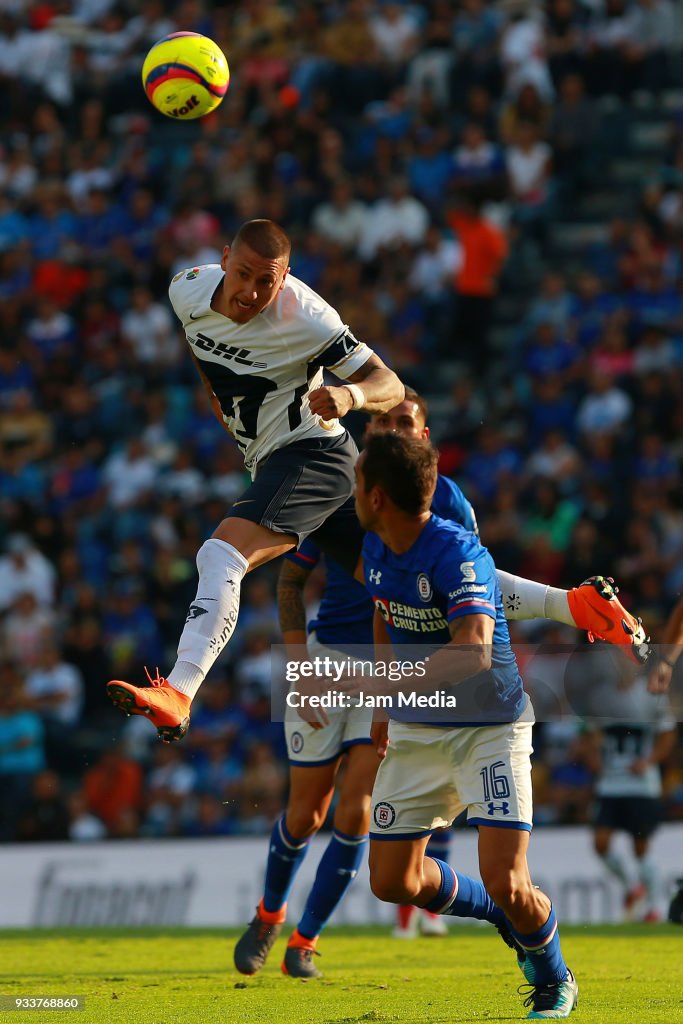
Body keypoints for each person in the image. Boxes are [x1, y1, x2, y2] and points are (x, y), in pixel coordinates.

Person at [233, 389, 647, 980]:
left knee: (462, 858)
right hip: (404, 705)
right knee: (370, 865)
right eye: (385, 424)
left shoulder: (444, 514)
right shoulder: (366, 524)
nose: (394, 433)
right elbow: (372, 600)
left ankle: (549, 977)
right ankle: (277, 914)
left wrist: (562, 606)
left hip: (478, 711)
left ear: (419, 445)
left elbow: (478, 594)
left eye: (407, 424)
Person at [106, 218, 404, 741]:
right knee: (401, 581)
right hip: (275, 459)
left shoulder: (308, 318)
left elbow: (390, 383)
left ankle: (178, 690)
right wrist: (222, 409)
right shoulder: (186, 290)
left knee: (221, 556)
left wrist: (349, 396)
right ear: (224, 259)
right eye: (243, 274)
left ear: (284, 277)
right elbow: (204, 352)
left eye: (266, 281)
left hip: (313, 453)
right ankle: (569, 605)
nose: (251, 291)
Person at [351, 432, 579, 1019]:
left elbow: (475, 650)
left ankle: (554, 979)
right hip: (417, 731)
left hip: (488, 729)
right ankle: (499, 915)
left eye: (356, 482)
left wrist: (394, 686)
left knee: (508, 879)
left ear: (376, 496)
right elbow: (383, 614)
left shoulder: (457, 552)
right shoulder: (375, 546)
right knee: (392, 884)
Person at [578, 646, 676, 922]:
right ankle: (633, 887)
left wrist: (649, 761)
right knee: (600, 843)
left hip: (641, 785)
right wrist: (593, 757)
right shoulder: (601, 697)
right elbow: (588, 736)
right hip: (610, 784)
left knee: (640, 847)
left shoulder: (652, 693)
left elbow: (668, 734)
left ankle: (655, 908)